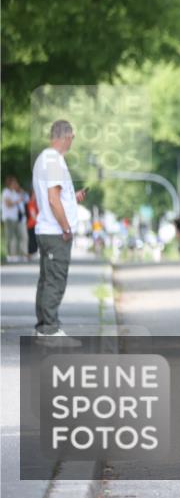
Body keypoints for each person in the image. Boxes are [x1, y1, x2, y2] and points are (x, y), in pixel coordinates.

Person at [32, 120, 86, 346]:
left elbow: (55, 198)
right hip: (55, 232)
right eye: (72, 137)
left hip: (46, 230)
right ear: (65, 136)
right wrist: (66, 228)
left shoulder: (45, 159)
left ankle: (44, 327)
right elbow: (53, 200)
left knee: (46, 280)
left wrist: (72, 201)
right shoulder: (53, 160)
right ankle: (50, 330)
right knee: (55, 280)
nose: (73, 140)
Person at [3, 176, 26, 261]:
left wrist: (19, 190)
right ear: (9, 183)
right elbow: (8, 204)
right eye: (14, 183)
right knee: (10, 237)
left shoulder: (14, 192)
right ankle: (10, 255)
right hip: (8, 218)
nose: (15, 184)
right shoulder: (6, 192)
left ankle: (15, 254)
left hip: (15, 218)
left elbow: (23, 196)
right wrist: (18, 201)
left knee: (16, 237)